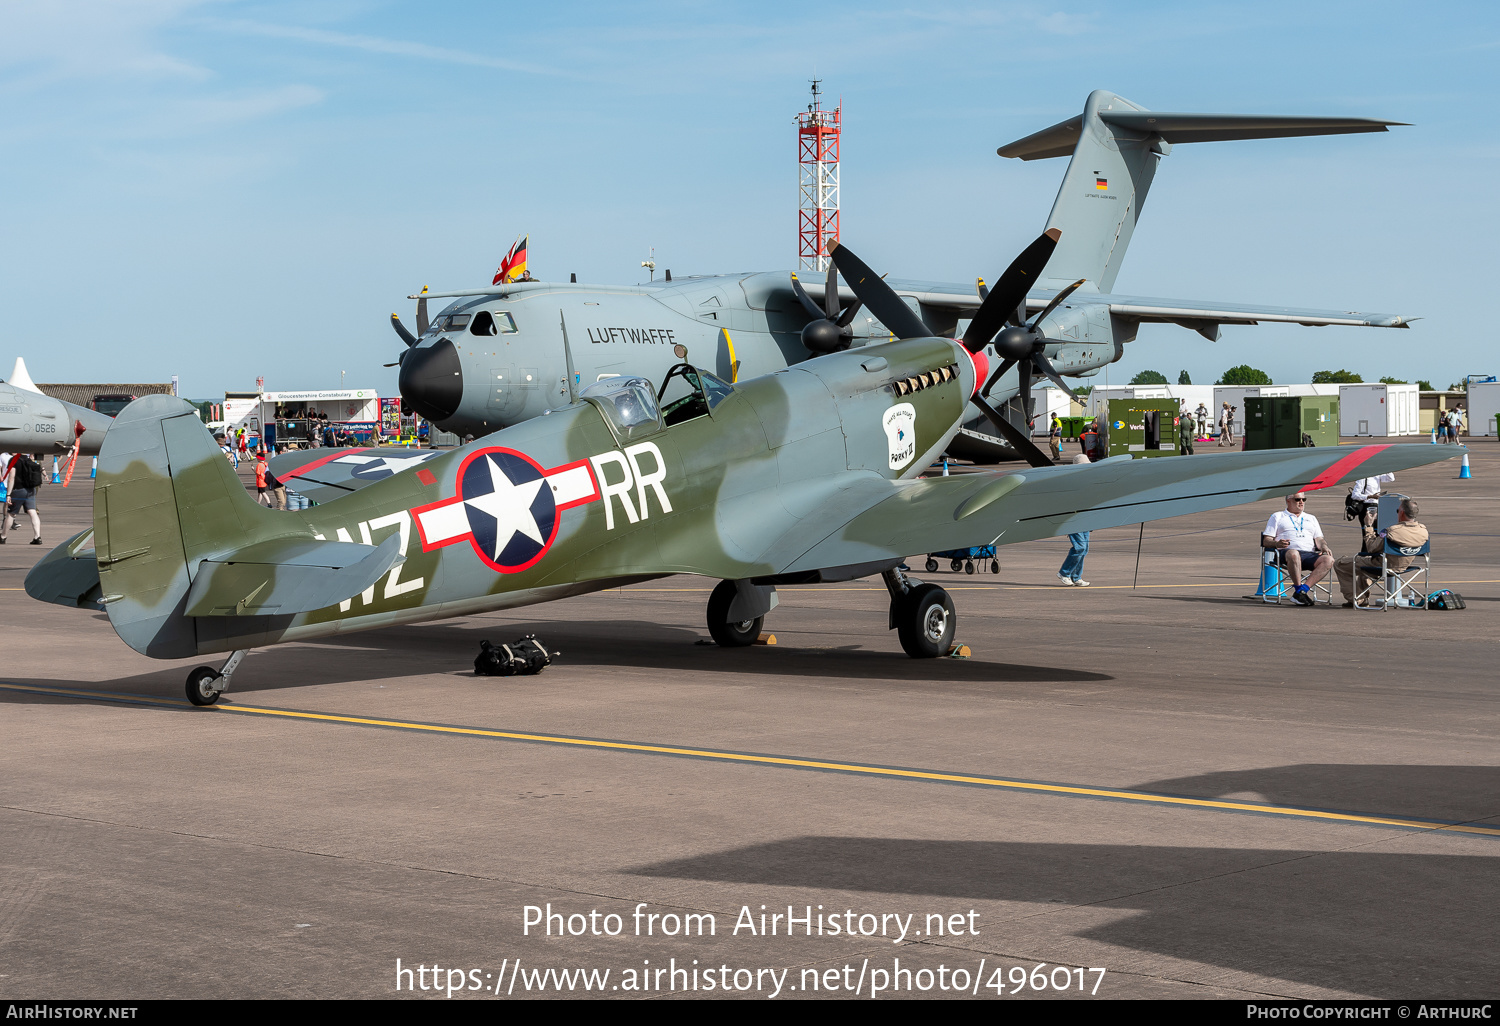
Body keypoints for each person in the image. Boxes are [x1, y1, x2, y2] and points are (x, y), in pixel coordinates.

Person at [1335, 497, 1428, 607]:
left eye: (1398, 511)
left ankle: (1358, 600)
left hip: (1384, 566)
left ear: (1402, 513)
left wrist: (1368, 525)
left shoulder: (1392, 531)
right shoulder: (1423, 531)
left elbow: (1371, 548)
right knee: (1365, 568)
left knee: (1340, 564)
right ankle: (1362, 596)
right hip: (1404, 565)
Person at [1262, 492, 1334, 605]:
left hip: (1308, 554)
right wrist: (1277, 544)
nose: (1301, 502)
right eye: (1297, 499)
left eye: (1303, 499)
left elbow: (1319, 539)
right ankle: (1298, 589)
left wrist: (1324, 546)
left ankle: (1302, 591)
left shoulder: (1311, 518)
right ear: (1288, 501)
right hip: (1286, 554)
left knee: (1328, 560)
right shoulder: (1278, 516)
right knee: (1294, 553)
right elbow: (1266, 540)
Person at [1056, 455, 1092, 585]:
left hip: (1085, 518)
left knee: (1084, 548)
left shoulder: (1087, 481)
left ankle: (1076, 577)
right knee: (1080, 547)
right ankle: (1064, 572)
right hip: (1073, 518)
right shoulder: (1070, 481)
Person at [3, 451, 44, 545]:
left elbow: (11, 478)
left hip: (18, 490)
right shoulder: (29, 459)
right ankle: (37, 536)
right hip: (30, 490)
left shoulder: (14, 460)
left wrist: (8, 494)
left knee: (11, 514)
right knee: (32, 512)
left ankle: (3, 536)